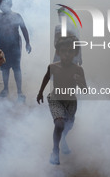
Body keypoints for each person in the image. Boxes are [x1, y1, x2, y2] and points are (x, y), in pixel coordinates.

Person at [37, 36, 88, 165]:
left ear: (75, 53)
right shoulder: (53, 67)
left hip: (71, 102)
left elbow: (85, 90)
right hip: (56, 99)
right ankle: (55, 151)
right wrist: (40, 93)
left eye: (70, 51)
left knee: (68, 126)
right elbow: (46, 78)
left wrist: (79, 81)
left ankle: (63, 139)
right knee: (59, 124)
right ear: (58, 52)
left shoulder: (78, 69)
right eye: (63, 50)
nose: (67, 54)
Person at [0, 0, 31, 103]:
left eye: (5, 4)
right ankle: (5, 88)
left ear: (11, 5)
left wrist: (28, 43)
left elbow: (24, 29)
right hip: (3, 45)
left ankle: (20, 92)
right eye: (1, 4)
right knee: (5, 68)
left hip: (15, 45)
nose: (3, 6)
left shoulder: (17, 16)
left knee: (16, 68)